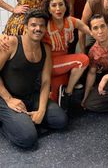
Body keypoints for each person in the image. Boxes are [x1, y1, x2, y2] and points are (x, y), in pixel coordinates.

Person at [0, 9, 67, 148]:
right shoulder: (11, 43)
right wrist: (9, 99)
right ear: (25, 27)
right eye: (33, 25)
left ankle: (24, 120)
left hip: (31, 95)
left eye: (42, 25)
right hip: (6, 97)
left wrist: (42, 110)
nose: (38, 28)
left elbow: (46, 81)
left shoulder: (46, 49)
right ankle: (6, 122)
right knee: (28, 138)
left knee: (61, 120)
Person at [42, 0, 90, 110]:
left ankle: (64, 94)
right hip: (48, 65)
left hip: (63, 65)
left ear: (66, 6)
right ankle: (68, 92)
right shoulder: (44, 24)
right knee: (82, 60)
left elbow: (90, 31)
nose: (58, 9)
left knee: (57, 102)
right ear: (48, 8)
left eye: (61, 4)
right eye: (53, 5)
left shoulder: (71, 21)